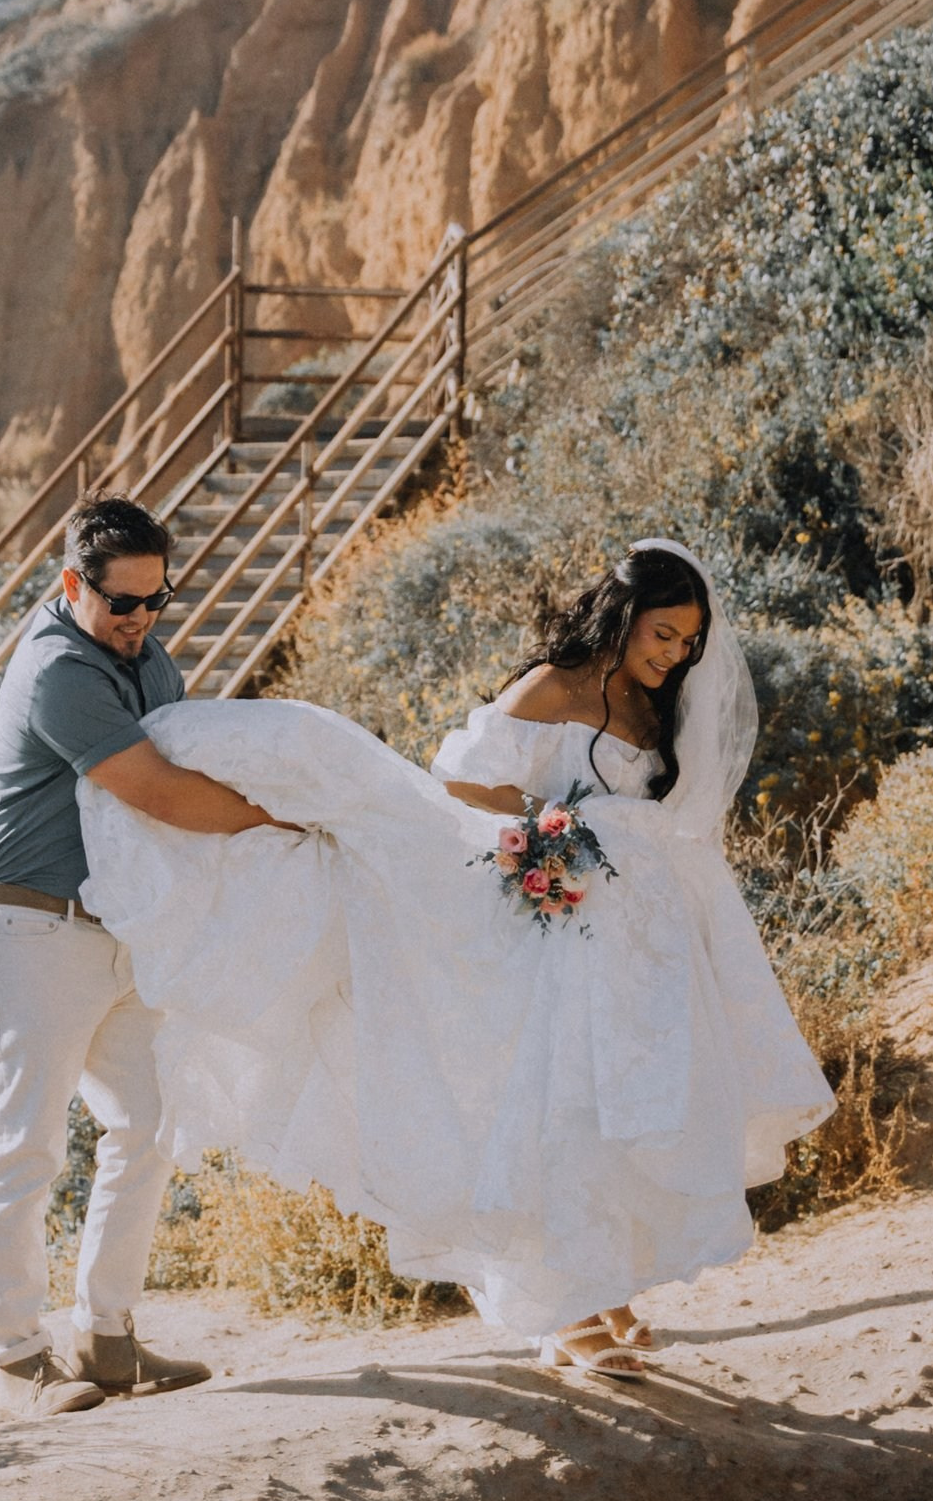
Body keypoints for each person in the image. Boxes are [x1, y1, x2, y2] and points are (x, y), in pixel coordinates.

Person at [74, 538, 829, 1362]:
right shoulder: (553, 686)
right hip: (550, 929)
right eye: (663, 634)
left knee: (612, 1111)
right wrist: (553, 825)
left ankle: (606, 1286)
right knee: (553, 1103)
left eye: (688, 641)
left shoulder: (657, 708)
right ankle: (563, 1309)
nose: (675, 654)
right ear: (624, 618)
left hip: (630, 951)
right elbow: (462, 779)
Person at [0, 493, 291, 1415]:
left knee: (148, 1122)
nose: (141, 618)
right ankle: (18, 1356)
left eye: (156, 598)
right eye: (122, 602)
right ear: (74, 585)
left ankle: (106, 1337)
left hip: (115, 929)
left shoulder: (145, 656)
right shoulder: (58, 668)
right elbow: (158, 792)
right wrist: (280, 820)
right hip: (26, 927)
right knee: (26, 1145)